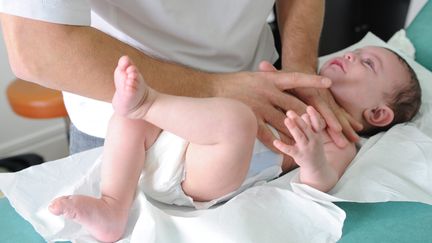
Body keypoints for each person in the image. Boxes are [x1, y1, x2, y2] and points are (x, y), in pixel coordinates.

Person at [49, 45, 421, 242]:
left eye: (368, 64)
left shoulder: (339, 138)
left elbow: (321, 185)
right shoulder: (298, 89)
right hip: (169, 143)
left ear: (378, 115)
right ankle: (113, 205)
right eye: (357, 53)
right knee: (127, 118)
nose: (351, 54)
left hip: (206, 174)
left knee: (237, 122)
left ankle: (149, 101)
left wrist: (311, 159)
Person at [0, 1, 361, 163]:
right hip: (125, 120)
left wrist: (298, 70)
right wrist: (216, 89)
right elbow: (37, 50)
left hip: (260, 94)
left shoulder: (330, 141)